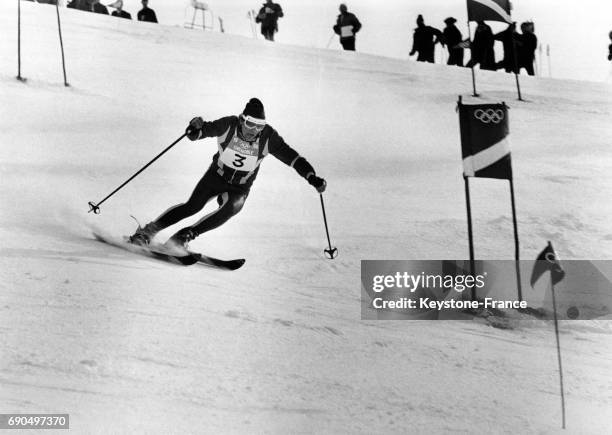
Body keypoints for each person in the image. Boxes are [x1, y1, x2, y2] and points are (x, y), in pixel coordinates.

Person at [129, 98, 327, 249]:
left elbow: (293, 158)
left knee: (232, 208)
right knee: (192, 207)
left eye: (258, 127)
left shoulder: (268, 137)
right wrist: (195, 128)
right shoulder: (229, 125)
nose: (253, 131)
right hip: (215, 177)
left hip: (240, 187)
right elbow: (202, 131)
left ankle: (184, 236)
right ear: (242, 120)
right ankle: (147, 232)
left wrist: (311, 176)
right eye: (250, 124)